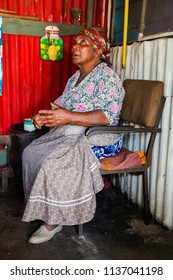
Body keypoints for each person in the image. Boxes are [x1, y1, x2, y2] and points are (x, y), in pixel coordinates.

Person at [22, 27, 125, 244]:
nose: (75, 47)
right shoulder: (75, 77)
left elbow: (107, 116)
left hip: (102, 137)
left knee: (53, 162)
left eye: (83, 43)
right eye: (75, 43)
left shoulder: (108, 78)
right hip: (74, 131)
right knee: (31, 152)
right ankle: (47, 207)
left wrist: (67, 117)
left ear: (98, 51)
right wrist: (43, 117)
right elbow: (61, 105)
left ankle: (55, 221)